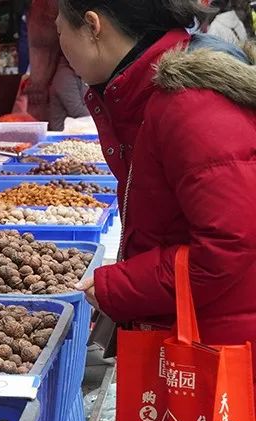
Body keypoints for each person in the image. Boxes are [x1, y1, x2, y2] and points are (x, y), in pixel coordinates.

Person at [56, 1, 256, 351]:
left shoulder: (191, 103)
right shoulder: (145, 95)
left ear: (92, 25)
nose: (61, 46)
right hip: (199, 327)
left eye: (60, 32)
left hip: (221, 345)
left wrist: (119, 288)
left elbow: (227, 245)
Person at [48, 54, 90, 130]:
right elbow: (77, 111)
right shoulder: (64, 77)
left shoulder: (81, 73)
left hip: (82, 126)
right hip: (63, 131)